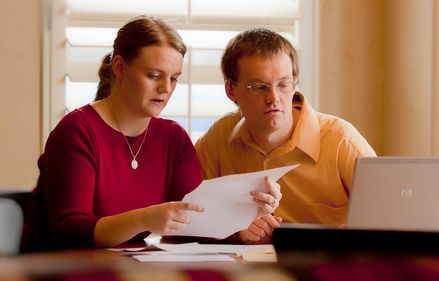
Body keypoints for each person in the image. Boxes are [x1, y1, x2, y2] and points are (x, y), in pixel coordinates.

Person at [23, 16, 280, 251]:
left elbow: (192, 221)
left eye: (174, 78)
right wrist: (145, 218)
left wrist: (239, 229)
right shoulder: (77, 130)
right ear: (120, 67)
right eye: (154, 75)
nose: (165, 88)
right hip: (59, 266)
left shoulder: (173, 138)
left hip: (126, 269)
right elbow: (71, 231)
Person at [195, 28, 377, 243]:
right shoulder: (218, 138)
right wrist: (233, 229)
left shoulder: (341, 141)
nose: (273, 98)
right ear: (231, 91)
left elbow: (388, 216)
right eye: (259, 86)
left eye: (283, 85)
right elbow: (182, 215)